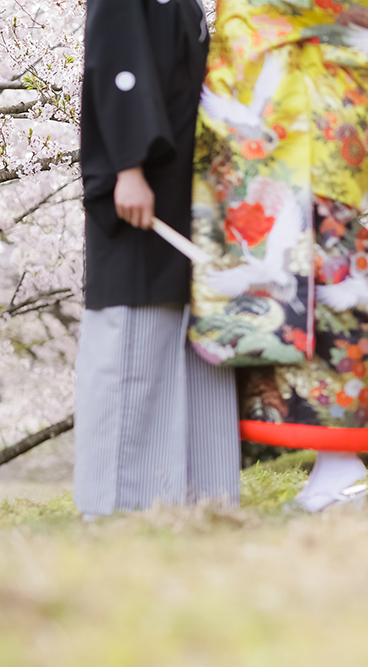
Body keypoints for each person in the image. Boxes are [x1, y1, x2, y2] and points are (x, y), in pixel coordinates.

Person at [187, 0, 368, 511]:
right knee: (321, 298)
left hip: (308, 169)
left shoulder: (289, 19)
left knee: (325, 304)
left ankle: (339, 471)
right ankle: (334, 473)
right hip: (321, 173)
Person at [75, 0, 240, 517]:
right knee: (133, 342)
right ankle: (118, 504)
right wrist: (127, 166)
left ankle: (202, 500)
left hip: (185, 194)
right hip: (140, 189)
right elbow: (115, 62)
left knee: (196, 345)